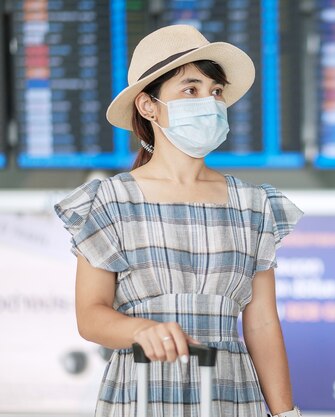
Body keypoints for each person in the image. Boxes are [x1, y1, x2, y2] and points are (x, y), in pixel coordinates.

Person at [54, 25, 303, 417]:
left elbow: (262, 326)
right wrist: (141, 330)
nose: (208, 101)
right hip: (141, 394)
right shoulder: (110, 201)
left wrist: (287, 413)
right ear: (148, 106)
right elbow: (91, 315)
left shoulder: (253, 205)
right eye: (190, 90)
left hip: (232, 395)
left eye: (215, 91)